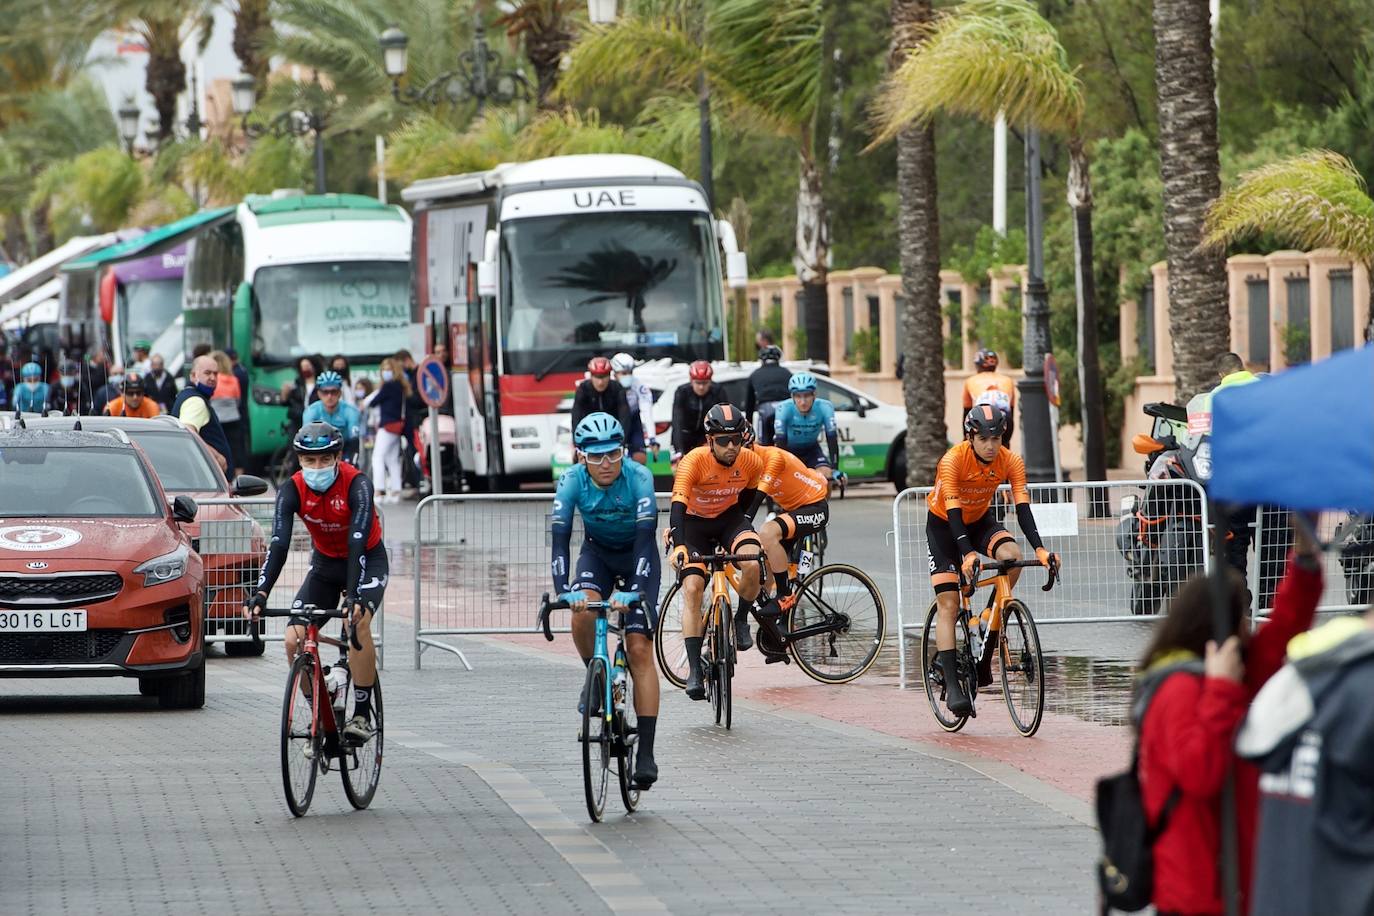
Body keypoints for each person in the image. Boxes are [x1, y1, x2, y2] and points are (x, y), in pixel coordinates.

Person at [1139, 516, 1322, 916]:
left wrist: (1305, 559)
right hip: (1197, 889)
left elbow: (1284, 630)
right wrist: (1221, 690)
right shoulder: (1177, 689)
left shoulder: (1230, 670)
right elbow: (1198, 772)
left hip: (1236, 879)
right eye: (1241, 618)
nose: (1248, 628)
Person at [244, 422, 386, 744]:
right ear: (299, 461)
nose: (317, 467)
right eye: (310, 460)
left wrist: (352, 596)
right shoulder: (292, 489)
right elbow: (278, 543)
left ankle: (361, 715)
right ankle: (320, 711)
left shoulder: (357, 484)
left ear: (337, 457)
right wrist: (261, 592)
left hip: (365, 559)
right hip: (324, 565)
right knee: (293, 640)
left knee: (358, 623)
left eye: (324, 460)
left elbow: (357, 541)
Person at [551, 412, 661, 788]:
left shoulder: (639, 477)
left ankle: (645, 752)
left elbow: (647, 540)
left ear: (623, 452)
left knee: (639, 649)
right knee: (582, 614)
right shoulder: (570, 482)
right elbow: (560, 541)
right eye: (596, 456)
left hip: (637, 558)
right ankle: (594, 676)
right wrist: (563, 590)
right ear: (581, 456)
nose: (605, 464)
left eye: (612, 454)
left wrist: (638, 593)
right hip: (596, 554)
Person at [926, 404, 1056, 716]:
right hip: (945, 526)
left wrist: (1041, 550)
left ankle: (987, 619)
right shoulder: (953, 460)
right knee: (949, 603)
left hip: (980, 520)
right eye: (984, 438)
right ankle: (954, 687)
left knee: (1012, 556)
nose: (991, 445)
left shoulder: (1011, 460)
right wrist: (968, 553)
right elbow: (954, 512)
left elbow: (1023, 509)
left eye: (997, 438)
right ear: (970, 437)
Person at [669, 403, 766, 700]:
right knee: (694, 587)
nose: (732, 446)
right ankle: (695, 670)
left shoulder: (751, 461)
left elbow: (749, 498)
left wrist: (745, 525)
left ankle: (740, 619)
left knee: (753, 561)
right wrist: (680, 544)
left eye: (737, 439)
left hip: (728, 520)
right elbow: (677, 507)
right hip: (693, 524)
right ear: (710, 441)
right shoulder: (693, 462)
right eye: (724, 440)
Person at [741, 427, 829, 653]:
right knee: (765, 567)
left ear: (752, 446)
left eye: (743, 453)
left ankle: (785, 595)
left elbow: (756, 500)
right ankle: (777, 629)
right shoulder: (746, 466)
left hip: (814, 506)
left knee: (768, 532)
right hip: (793, 509)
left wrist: (739, 528)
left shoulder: (772, 457)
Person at [773, 372, 840, 480]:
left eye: (807, 395)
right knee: (785, 480)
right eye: (798, 396)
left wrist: (835, 468)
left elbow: (832, 438)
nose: (803, 402)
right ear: (792, 396)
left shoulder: (825, 407)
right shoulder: (783, 408)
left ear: (814, 395)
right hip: (789, 450)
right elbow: (781, 442)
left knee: (826, 476)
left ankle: (824, 498)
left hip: (811, 450)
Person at [173, 355, 232, 473]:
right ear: (193, 375)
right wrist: (215, 456)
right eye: (207, 373)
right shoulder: (196, 401)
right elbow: (187, 433)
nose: (213, 378)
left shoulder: (188, 394)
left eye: (215, 374)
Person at [669, 360, 728, 463]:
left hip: (706, 435)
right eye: (698, 383)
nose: (701, 387)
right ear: (691, 381)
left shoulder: (718, 391)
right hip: (685, 434)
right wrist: (679, 449)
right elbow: (677, 420)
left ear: (710, 381)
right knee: (684, 468)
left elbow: (725, 417)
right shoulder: (682, 392)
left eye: (705, 383)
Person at [302, 371, 363, 464]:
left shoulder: (350, 411)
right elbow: (306, 440)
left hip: (344, 449)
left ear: (340, 393)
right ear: (319, 394)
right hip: (320, 449)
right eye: (325, 392)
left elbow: (354, 442)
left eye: (333, 392)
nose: (329, 396)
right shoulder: (311, 412)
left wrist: (352, 463)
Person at [371, 357, 409, 504]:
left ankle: (379, 490)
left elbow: (374, 402)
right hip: (397, 426)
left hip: (387, 426)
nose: (386, 372)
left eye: (388, 369)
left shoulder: (388, 386)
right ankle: (396, 490)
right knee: (393, 459)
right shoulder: (401, 386)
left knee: (377, 457)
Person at [610, 352, 658, 464]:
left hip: (633, 420)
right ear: (614, 373)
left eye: (630, 372)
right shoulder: (608, 385)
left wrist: (652, 439)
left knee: (640, 458)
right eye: (623, 373)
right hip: (613, 421)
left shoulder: (639, 386)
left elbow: (647, 412)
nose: (628, 376)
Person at [962, 349, 1016, 445]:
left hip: (983, 418)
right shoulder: (1008, 380)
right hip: (1005, 418)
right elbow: (1011, 410)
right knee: (1004, 451)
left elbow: (967, 412)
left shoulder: (971, 380)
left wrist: (965, 437)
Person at [570, 356, 632, 440]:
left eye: (603, 377)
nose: (600, 382)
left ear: (609, 376)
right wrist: (576, 440)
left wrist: (623, 439)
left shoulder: (617, 388)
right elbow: (576, 415)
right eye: (597, 377)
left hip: (613, 433)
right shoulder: (583, 388)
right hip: (590, 433)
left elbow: (624, 415)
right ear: (591, 376)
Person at [743, 345, 791, 446]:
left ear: (761, 359)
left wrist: (748, 425)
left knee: (765, 445)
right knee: (788, 444)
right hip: (784, 408)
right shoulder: (787, 373)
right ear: (778, 358)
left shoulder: (754, 374)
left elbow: (749, 404)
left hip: (765, 409)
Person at [210, 351, 244, 477]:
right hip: (233, 418)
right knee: (235, 450)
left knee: (219, 449)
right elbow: (238, 401)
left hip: (218, 419)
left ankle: (221, 476)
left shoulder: (213, 380)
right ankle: (238, 479)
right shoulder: (234, 380)